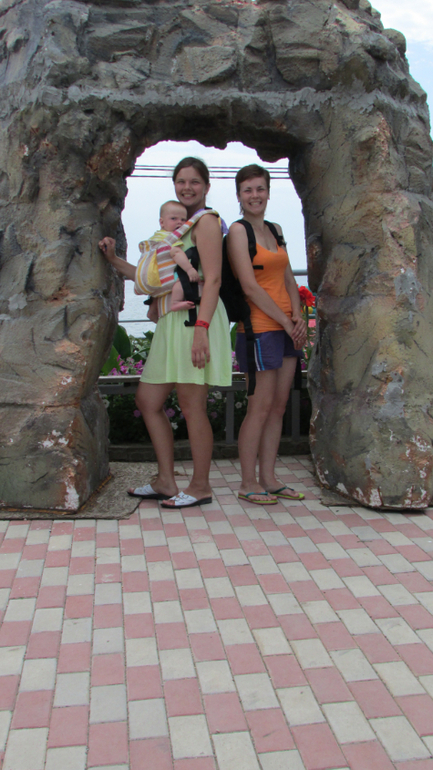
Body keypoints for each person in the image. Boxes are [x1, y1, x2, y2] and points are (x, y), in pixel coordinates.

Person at [99, 157, 232, 508]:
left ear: (206, 186)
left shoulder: (206, 221)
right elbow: (151, 278)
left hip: (195, 318)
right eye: (181, 181)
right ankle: (166, 480)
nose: (187, 187)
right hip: (173, 320)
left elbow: (213, 280)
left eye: (194, 182)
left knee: (192, 405)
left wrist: (202, 329)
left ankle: (200, 486)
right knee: (148, 401)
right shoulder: (177, 231)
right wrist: (113, 259)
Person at [227, 164, 307, 505]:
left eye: (260, 188)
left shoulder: (276, 229)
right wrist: (286, 322)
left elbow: (288, 278)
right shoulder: (238, 231)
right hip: (258, 328)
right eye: (248, 190)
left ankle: (269, 479)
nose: (254, 195)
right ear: (239, 195)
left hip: (287, 325)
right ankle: (247, 482)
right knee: (259, 408)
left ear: (268, 192)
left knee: (278, 406)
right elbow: (249, 286)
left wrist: (298, 316)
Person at [138, 200, 202, 323]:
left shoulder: (156, 236)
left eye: (183, 220)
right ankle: (176, 302)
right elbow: (176, 252)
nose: (179, 222)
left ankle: (153, 311)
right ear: (162, 222)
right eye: (174, 218)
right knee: (181, 280)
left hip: (155, 275)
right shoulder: (171, 238)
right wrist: (189, 269)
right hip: (166, 274)